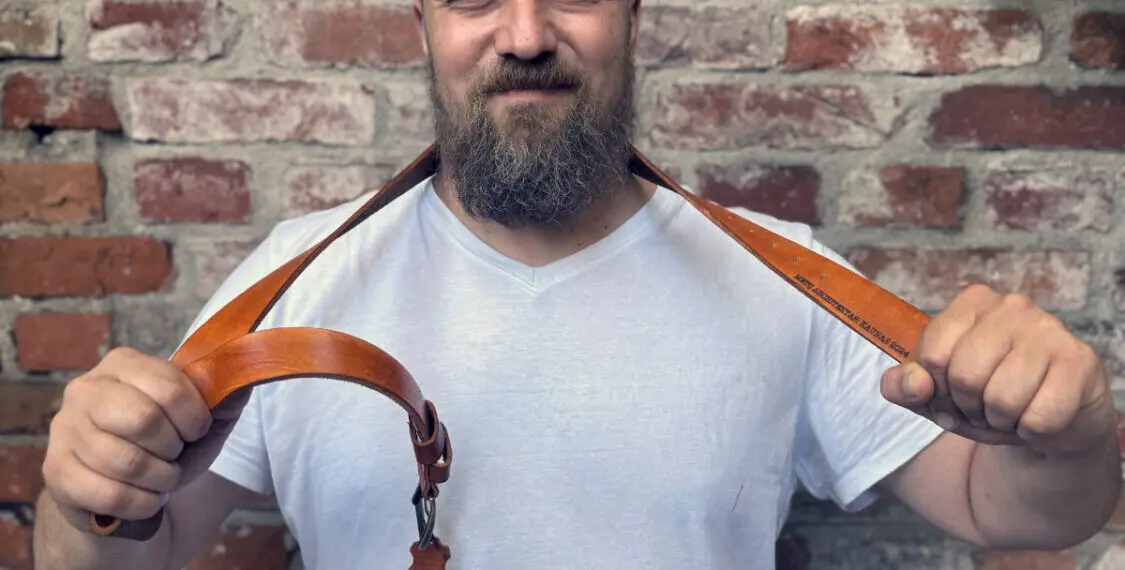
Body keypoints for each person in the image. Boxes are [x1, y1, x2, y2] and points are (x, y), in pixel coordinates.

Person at [32, 1, 1121, 568]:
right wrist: (87, 499)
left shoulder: (780, 275)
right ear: (424, 28)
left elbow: (997, 508)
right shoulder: (297, 279)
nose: (524, 35)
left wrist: (1068, 445)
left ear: (632, 19)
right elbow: (127, 556)